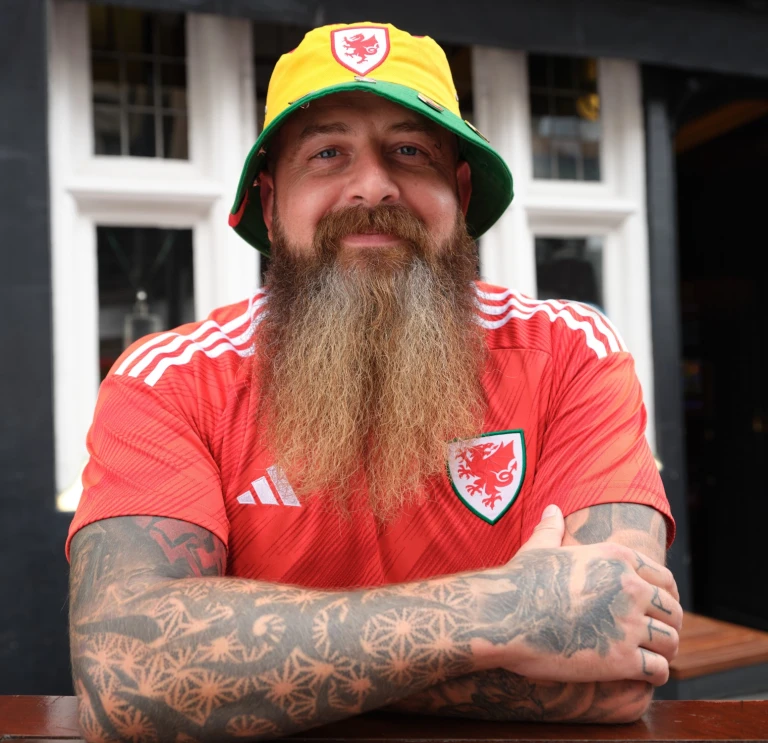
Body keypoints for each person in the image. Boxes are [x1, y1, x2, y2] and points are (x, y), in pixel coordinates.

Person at [67, 22, 681, 742]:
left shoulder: (570, 352)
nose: (372, 186)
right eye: (328, 153)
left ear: (457, 192)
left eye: (409, 152)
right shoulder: (170, 382)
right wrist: (508, 612)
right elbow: (126, 676)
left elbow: (617, 666)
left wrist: (272, 671)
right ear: (270, 203)